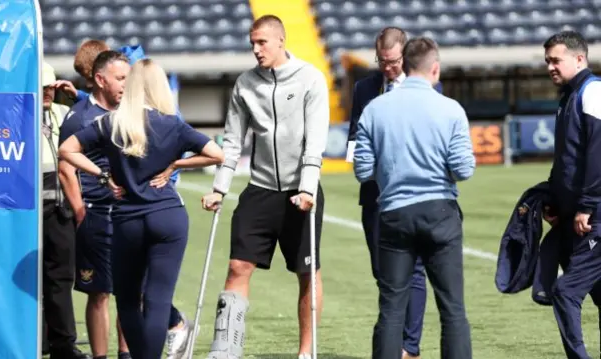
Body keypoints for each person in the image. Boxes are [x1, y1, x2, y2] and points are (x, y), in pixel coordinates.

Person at [58, 58, 224, 359]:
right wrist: (176, 162)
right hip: (168, 216)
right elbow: (217, 154)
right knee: (158, 300)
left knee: (127, 300)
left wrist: (103, 176)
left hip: (126, 219)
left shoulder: (110, 123)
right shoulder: (172, 123)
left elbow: (66, 150)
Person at [200, 14, 330, 359]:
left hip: (301, 191)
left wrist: (307, 188)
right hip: (259, 189)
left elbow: (315, 141)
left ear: (280, 41)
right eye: (252, 43)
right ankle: (225, 351)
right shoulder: (245, 83)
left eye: (262, 42)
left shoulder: (310, 79)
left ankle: (306, 353)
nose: (256, 50)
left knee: (306, 272)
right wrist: (219, 188)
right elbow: (232, 142)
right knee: (238, 267)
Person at [353, 37, 475, 359]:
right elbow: (464, 168)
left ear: (404, 66)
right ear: (435, 69)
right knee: (452, 308)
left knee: (392, 306)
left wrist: (391, 173)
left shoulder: (374, 109)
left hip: (394, 212)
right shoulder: (451, 108)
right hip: (440, 211)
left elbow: (363, 170)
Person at [345, 26, 441, 359]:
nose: (388, 68)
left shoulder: (427, 88)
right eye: (382, 62)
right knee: (383, 273)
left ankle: (408, 347)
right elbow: (354, 141)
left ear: (406, 55)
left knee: (412, 270)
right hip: (374, 196)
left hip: (412, 196)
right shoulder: (364, 88)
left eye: (394, 61)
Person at [58, 50, 132, 359]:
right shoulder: (79, 117)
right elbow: (66, 166)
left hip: (130, 215)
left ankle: (127, 354)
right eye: (120, 79)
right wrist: (80, 212)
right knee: (99, 292)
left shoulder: (131, 113)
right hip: (95, 214)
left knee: (131, 290)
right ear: (100, 80)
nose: (126, 85)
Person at [541, 30, 601, 359]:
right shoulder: (569, 96)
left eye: (555, 60)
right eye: (547, 60)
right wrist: (553, 199)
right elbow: (565, 158)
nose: (550, 66)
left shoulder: (593, 92)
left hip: (594, 216)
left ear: (579, 58)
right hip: (575, 216)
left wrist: (587, 206)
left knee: (565, 291)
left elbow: (597, 154)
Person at [41, 60, 91, 359]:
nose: (47, 92)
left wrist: (76, 96)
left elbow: (97, 115)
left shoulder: (64, 112)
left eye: (50, 86)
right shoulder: (16, 115)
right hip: (29, 212)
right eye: (42, 87)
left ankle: (63, 344)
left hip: (61, 210)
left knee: (61, 278)